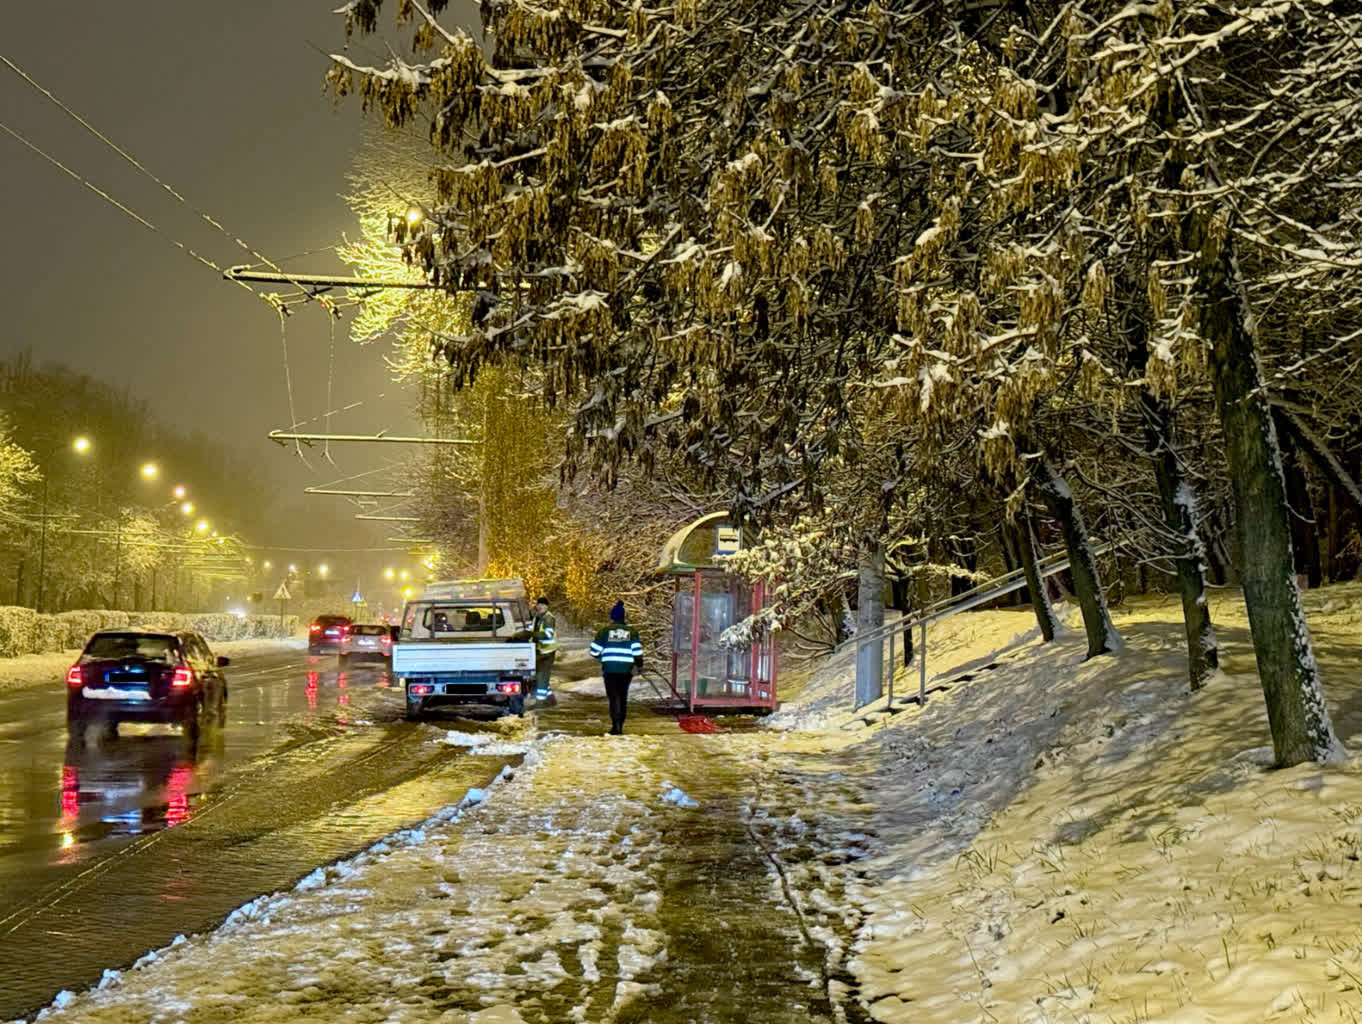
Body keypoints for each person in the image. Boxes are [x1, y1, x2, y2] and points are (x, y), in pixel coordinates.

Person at [590, 601, 643, 735]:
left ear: (612, 617)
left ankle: (616, 726)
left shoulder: (604, 632)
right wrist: (639, 665)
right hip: (626, 670)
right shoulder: (631, 632)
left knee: (613, 697)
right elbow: (637, 651)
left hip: (610, 669)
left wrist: (602, 658)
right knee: (622, 696)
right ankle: (621, 724)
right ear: (623, 617)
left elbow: (594, 651)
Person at [529, 596, 557, 700]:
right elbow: (531, 629)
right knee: (539, 677)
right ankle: (550, 698)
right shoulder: (537, 618)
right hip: (539, 651)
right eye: (538, 604)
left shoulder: (548, 618)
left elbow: (548, 634)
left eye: (542, 605)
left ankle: (541, 702)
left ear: (547, 606)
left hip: (547, 652)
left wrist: (531, 634)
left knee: (541, 677)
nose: (540, 606)